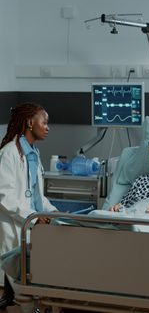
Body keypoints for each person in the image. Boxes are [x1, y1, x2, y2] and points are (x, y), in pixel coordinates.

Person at [0, 102, 57, 308]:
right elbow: (5, 197)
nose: (47, 127)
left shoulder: (31, 154)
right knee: (16, 274)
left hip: (30, 221)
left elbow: (36, 195)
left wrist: (52, 210)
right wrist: (33, 216)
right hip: (15, 223)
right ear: (30, 123)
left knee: (26, 273)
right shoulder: (10, 153)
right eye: (44, 122)